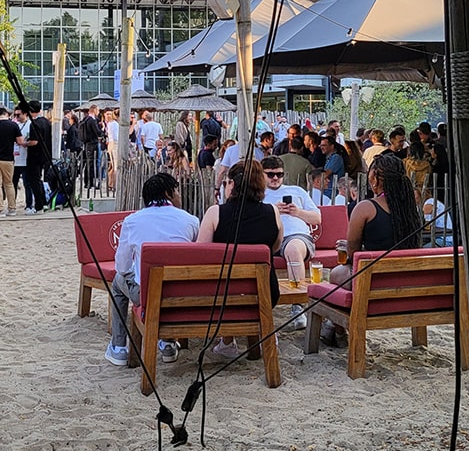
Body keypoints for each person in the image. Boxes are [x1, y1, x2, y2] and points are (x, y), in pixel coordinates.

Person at [324, 155, 423, 344]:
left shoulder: (365, 208)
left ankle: (337, 330)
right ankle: (331, 327)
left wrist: (353, 247)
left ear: (375, 178)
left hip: (374, 284)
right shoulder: (410, 210)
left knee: (336, 274)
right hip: (408, 283)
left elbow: (352, 255)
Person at [104, 173, 199, 366]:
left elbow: (121, 266)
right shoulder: (191, 220)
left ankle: (119, 347)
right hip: (183, 295)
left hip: (148, 296)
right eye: (177, 190)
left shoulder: (132, 221)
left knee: (117, 283)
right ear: (168, 193)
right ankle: (168, 344)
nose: (180, 195)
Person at [197, 159, 283, 359]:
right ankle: (262, 333)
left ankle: (227, 341)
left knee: (224, 279)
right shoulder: (273, 212)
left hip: (224, 296)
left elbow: (201, 255)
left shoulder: (215, 213)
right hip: (266, 293)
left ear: (232, 184)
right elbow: (275, 247)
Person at [261, 155, 321, 331]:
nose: (275, 179)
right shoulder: (258, 193)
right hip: (267, 238)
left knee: (293, 250)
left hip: (295, 235)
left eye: (279, 175)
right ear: (262, 174)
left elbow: (317, 218)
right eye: (270, 174)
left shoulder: (296, 191)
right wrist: (272, 211)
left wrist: (297, 212)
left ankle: (297, 306)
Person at [23, 100, 53, 213]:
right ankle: (44, 202)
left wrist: (25, 143)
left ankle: (39, 205)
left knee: (34, 181)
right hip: (45, 155)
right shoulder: (46, 121)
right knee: (40, 179)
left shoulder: (34, 124)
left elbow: (34, 141)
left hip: (35, 155)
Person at [81, 105, 104, 189]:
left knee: (88, 163)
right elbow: (97, 132)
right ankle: (90, 182)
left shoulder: (85, 119)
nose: (98, 112)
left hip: (87, 144)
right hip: (92, 143)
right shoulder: (92, 120)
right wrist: (102, 130)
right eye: (98, 110)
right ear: (94, 110)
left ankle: (87, 182)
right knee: (92, 163)